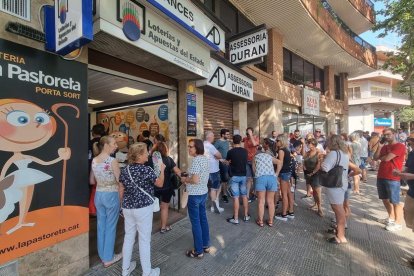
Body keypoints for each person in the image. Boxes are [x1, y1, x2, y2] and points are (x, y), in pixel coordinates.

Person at [119, 142, 164, 276]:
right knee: (144, 240)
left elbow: (121, 188)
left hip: (128, 207)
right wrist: (161, 170)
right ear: (139, 155)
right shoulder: (146, 170)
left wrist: (122, 205)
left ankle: (125, 269)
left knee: (128, 238)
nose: (148, 154)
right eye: (145, 152)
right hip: (143, 208)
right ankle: (147, 272)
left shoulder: (125, 170)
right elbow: (160, 183)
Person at [90, 136, 122, 268]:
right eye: (114, 143)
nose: (116, 146)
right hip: (111, 195)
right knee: (111, 226)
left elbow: (92, 181)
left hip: (99, 194)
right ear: (106, 145)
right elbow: (120, 181)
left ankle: (103, 255)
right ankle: (108, 258)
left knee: (101, 225)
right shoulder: (112, 160)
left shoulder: (94, 160)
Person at [181, 139, 211, 258]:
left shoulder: (196, 160)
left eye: (191, 147)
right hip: (203, 193)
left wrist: (185, 180)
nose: (189, 149)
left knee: (196, 223)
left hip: (194, 195)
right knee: (203, 219)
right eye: (188, 146)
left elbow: (195, 180)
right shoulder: (205, 159)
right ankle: (206, 245)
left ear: (197, 148)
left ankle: (198, 251)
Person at [374, 128, 406, 232]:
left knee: (395, 201)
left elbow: (387, 158)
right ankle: (391, 218)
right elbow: (375, 157)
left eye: (388, 135)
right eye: (384, 135)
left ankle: (398, 223)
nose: (386, 137)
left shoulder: (400, 146)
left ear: (394, 134)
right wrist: (379, 147)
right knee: (385, 199)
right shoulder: (385, 146)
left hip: (393, 177)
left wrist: (382, 157)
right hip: (381, 175)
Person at [321, 135, 349, 244]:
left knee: (338, 210)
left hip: (335, 185)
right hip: (342, 183)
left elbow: (325, 167)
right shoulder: (344, 154)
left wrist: (322, 159)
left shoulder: (333, 153)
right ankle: (339, 231)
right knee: (338, 208)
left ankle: (340, 236)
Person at [148, 142, 182, 233]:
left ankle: (147, 229)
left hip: (153, 187)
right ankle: (163, 227)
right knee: (164, 207)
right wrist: (184, 178)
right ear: (165, 150)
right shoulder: (168, 159)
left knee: (149, 209)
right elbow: (178, 171)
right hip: (166, 187)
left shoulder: (149, 160)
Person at [253, 140, 281, 227]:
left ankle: (260, 221)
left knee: (261, 201)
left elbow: (254, 170)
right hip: (271, 178)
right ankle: (271, 221)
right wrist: (276, 174)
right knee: (270, 201)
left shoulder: (255, 157)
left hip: (261, 177)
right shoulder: (269, 156)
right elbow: (280, 162)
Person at [226, 135, 249, 224]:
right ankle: (246, 216)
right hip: (243, 176)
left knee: (236, 197)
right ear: (240, 141)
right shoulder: (245, 151)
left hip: (234, 176)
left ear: (233, 141)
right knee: (244, 195)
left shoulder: (230, 152)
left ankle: (235, 219)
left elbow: (228, 162)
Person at [275, 134, 295, 221]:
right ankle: (290, 211)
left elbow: (280, 163)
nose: (276, 142)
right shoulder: (287, 149)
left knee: (284, 194)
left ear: (281, 141)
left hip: (283, 173)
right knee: (288, 193)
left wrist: (276, 173)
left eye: (277, 141)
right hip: (287, 172)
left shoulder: (281, 151)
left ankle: (284, 214)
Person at [89, 123, 106, 216]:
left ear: (93, 132)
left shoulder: (89, 143)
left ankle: (93, 210)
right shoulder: (105, 143)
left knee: (94, 191)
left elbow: (91, 181)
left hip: (92, 171)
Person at [204, 131, 223, 213]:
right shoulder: (210, 146)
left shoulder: (201, 145)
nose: (214, 138)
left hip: (204, 170)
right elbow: (219, 155)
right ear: (209, 137)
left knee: (207, 188)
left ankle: (211, 206)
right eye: (213, 136)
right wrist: (217, 157)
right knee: (214, 189)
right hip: (213, 170)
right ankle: (215, 207)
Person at [303, 138, 323, 217]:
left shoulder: (319, 153)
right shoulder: (307, 153)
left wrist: (312, 173)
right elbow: (303, 160)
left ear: (314, 144)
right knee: (313, 191)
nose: (308, 145)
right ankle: (315, 204)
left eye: (310, 144)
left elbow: (319, 165)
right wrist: (304, 166)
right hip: (308, 173)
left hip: (316, 174)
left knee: (317, 191)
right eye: (308, 143)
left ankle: (320, 208)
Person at [242, 127, 259, 202]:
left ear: (252, 133)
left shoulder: (256, 138)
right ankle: (247, 195)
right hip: (246, 160)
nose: (248, 135)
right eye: (247, 133)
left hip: (254, 161)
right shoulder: (245, 138)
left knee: (255, 178)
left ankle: (255, 193)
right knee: (248, 178)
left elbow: (255, 144)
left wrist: (251, 135)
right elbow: (239, 141)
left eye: (249, 133)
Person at [214, 129, 231, 204]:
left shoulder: (227, 142)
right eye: (227, 134)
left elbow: (228, 151)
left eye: (228, 134)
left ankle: (225, 192)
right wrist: (220, 160)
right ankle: (223, 195)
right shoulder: (218, 142)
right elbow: (213, 152)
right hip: (221, 163)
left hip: (227, 162)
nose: (228, 135)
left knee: (227, 179)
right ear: (222, 134)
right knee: (224, 179)